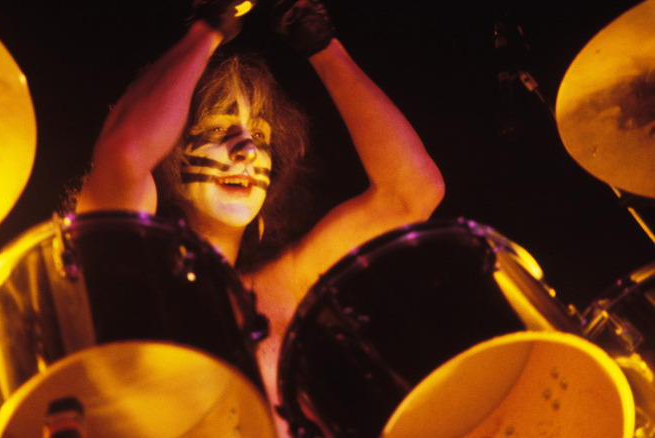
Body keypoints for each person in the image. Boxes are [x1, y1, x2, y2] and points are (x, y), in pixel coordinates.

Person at [74, 0, 445, 435]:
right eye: (218, 131)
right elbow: (123, 152)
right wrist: (208, 29)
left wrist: (321, 45)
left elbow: (413, 192)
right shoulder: (128, 266)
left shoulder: (285, 283)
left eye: (261, 138)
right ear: (171, 153)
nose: (247, 151)